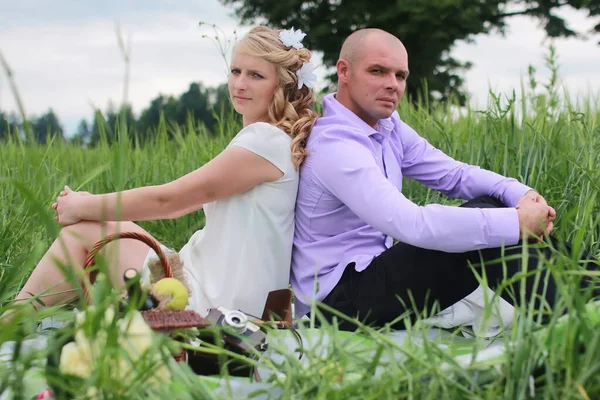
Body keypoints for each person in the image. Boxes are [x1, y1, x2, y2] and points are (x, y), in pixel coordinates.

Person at [291, 28, 596, 332]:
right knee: (487, 231)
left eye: (400, 76)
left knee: (490, 206)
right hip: (336, 302)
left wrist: (521, 195)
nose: (392, 85)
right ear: (344, 71)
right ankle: (576, 325)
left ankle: (591, 292)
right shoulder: (335, 146)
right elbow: (409, 222)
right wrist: (515, 223)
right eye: (378, 71)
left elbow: (454, 174)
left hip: (371, 275)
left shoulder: (387, 127)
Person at [14, 26, 319, 318]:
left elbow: (170, 202)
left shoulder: (264, 140)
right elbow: (185, 203)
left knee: (84, 230)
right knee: (92, 232)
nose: (239, 84)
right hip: (212, 286)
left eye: (256, 75)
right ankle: (22, 324)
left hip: (211, 303)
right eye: (235, 71)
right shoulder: (273, 140)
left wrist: (80, 205)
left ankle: (10, 326)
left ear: (283, 85)